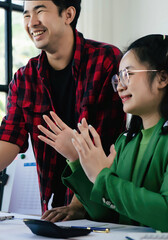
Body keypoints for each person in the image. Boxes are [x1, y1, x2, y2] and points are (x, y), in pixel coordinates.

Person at [0, 0, 125, 221]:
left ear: (68, 14)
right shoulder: (24, 78)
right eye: (26, 15)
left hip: (102, 210)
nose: (32, 22)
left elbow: (106, 142)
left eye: (40, 11)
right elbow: (10, 137)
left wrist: (78, 206)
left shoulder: (105, 60)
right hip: (53, 213)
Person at [39, 34, 168, 231]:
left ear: (162, 77)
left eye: (128, 74)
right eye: (118, 79)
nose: (120, 87)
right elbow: (106, 214)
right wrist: (77, 159)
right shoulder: (125, 142)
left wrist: (102, 176)